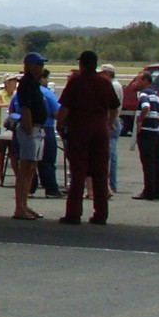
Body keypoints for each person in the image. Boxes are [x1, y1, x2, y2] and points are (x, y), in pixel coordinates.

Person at [55, 50, 120, 225]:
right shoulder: (104, 83)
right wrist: (109, 123)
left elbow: (65, 108)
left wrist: (59, 124)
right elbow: (115, 107)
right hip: (100, 128)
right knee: (100, 171)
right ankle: (101, 213)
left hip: (80, 128)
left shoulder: (76, 82)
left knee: (78, 171)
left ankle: (74, 213)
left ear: (82, 64)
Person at [8, 52, 47, 220]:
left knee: (31, 168)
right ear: (30, 66)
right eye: (38, 65)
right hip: (30, 130)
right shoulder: (26, 84)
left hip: (38, 128)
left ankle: (24, 204)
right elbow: (25, 107)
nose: (41, 68)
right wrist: (29, 129)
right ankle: (19, 207)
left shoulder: (34, 83)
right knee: (25, 168)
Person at [133, 72, 159, 200]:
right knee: (157, 161)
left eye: (138, 80)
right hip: (157, 130)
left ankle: (148, 191)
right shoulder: (155, 94)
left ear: (146, 80)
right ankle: (157, 190)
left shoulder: (144, 93)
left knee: (147, 162)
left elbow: (146, 107)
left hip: (147, 130)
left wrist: (140, 120)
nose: (135, 83)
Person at [34, 70, 62, 198]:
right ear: (42, 79)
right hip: (46, 127)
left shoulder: (20, 93)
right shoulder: (47, 93)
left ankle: (29, 187)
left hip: (28, 128)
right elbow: (57, 113)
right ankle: (51, 189)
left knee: (28, 161)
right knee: (47, 160)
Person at [0, 73, 18, 186]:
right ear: (6, 83)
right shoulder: (0, 93)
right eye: (11, 81)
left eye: (15, 81)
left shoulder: (16, 94)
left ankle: (18, 176)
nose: (14, 83)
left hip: (13, 126)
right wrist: (10, 105)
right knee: (0, 151)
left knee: (14, 153)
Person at [99, 64, 120, 193]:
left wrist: (108, 123)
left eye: (102, 73)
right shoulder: (115, 85)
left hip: (111, 120)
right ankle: (111, 183)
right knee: (112, 154)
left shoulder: (113, 86)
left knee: (108, 154)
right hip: (113, 120)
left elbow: (113, 107)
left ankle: (109, 185)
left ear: (107, 73)